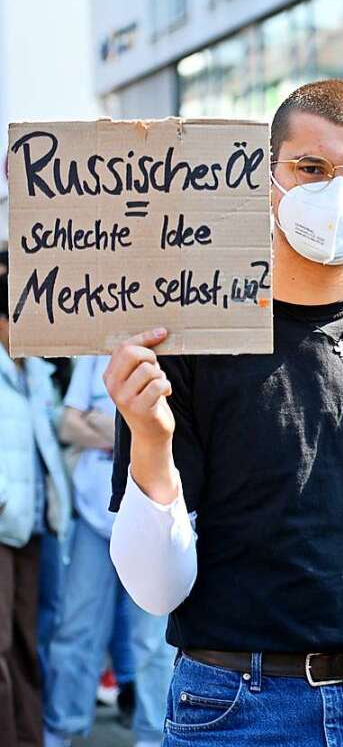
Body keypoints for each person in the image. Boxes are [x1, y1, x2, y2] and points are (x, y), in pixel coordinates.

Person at [103, 79, 343, 746]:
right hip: (233, 708)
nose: (335, 192)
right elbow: (155, 590)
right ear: (266, 180)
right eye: (311, 168)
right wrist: (150, 440)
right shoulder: (188, 342)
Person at [44, 355, 174, 747]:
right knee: (76, 630)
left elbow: (181, 436)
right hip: (92, 518)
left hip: (152, 521)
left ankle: (153, 735)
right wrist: (134, 431)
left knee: (154, 641)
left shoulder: (179, 346)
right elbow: (66, 422)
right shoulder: (95, 349)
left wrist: (106, 425)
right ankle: (61, 729)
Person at [0, 257, 72, 747]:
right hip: (5, 524)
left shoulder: (38, 372)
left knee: (29, 643)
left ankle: (28, 736)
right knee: (0, 645)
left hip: (36, 525)